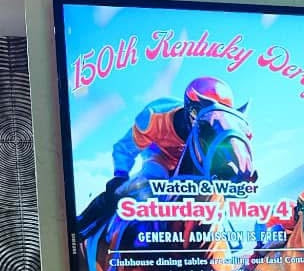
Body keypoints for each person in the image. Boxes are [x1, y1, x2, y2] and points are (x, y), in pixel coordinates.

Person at [76, 77, 235, 237]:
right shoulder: (154, 118)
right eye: (198, 114)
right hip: (159, 156)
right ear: (188, 108)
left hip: (191, 161)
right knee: (152, 179)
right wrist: (120, 175)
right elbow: (124, 148)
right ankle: (84, 222)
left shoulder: (216, 131)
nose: (206, 123)